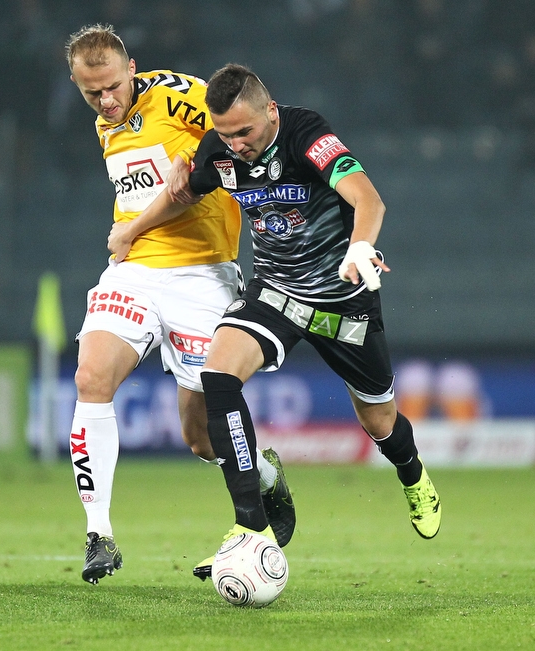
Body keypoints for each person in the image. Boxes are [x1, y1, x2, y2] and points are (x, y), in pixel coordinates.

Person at [120, 63, 442, 580]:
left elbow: (367, 197)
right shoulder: (219, 149)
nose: (237, 145)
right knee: (217, 376)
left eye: (245, 131)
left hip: (343, 297)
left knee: (379, 422)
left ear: (269, 111)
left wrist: (360, 246)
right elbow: (183, 191)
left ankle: (412, 473)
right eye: (225, 134)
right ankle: (252, 526)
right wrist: (131, 229)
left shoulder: (306, 134)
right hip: (276, 294)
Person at [64, 26, 296, 585]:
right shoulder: (106, 123)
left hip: (203, 274)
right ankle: (100, 535)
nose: (107, 102)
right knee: (91, 377)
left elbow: (251, 125)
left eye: (114, 88)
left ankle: (265, 477)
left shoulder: (177, 94)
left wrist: (201, 155)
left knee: (199, 435)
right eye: (91, 93)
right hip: (135, 269)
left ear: (133, 68)